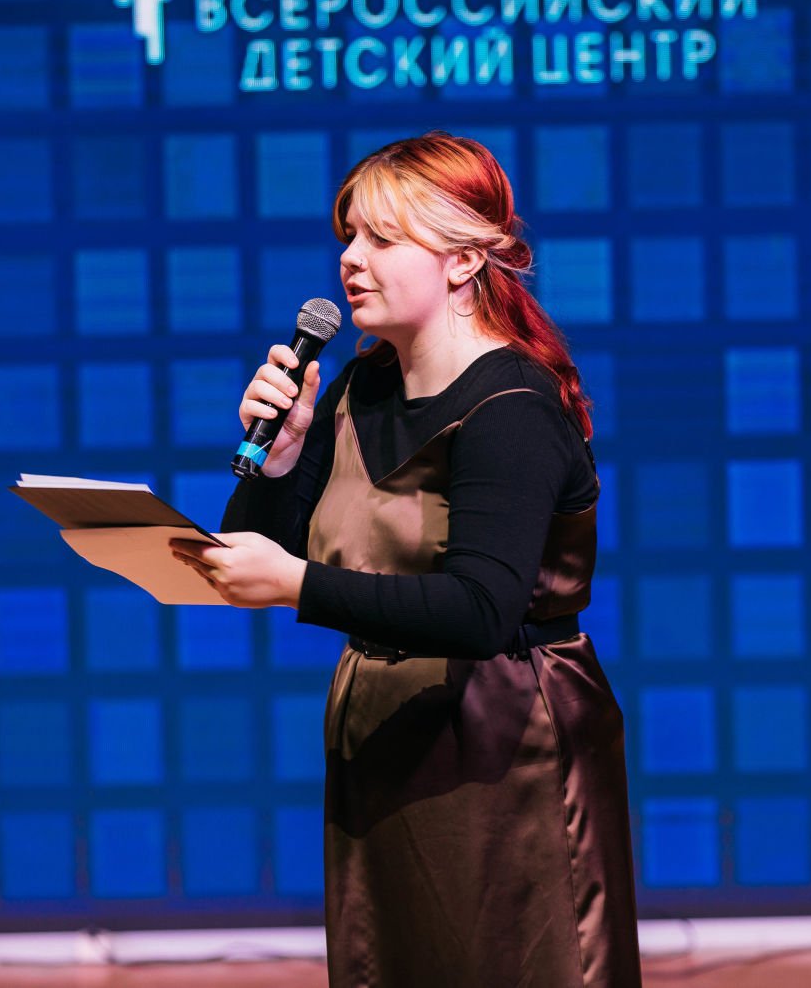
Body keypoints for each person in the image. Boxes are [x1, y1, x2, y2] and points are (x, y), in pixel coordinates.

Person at [170, 132, 641, 988]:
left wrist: (296, 584)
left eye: (382, 238)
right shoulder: (360, 388)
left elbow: (482, 609)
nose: (351, 259)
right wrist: (280, 462)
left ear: (464, 260)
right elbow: (260, 551)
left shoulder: (511, 405)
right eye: (349, 235)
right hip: (383, 732)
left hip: (505, 742)